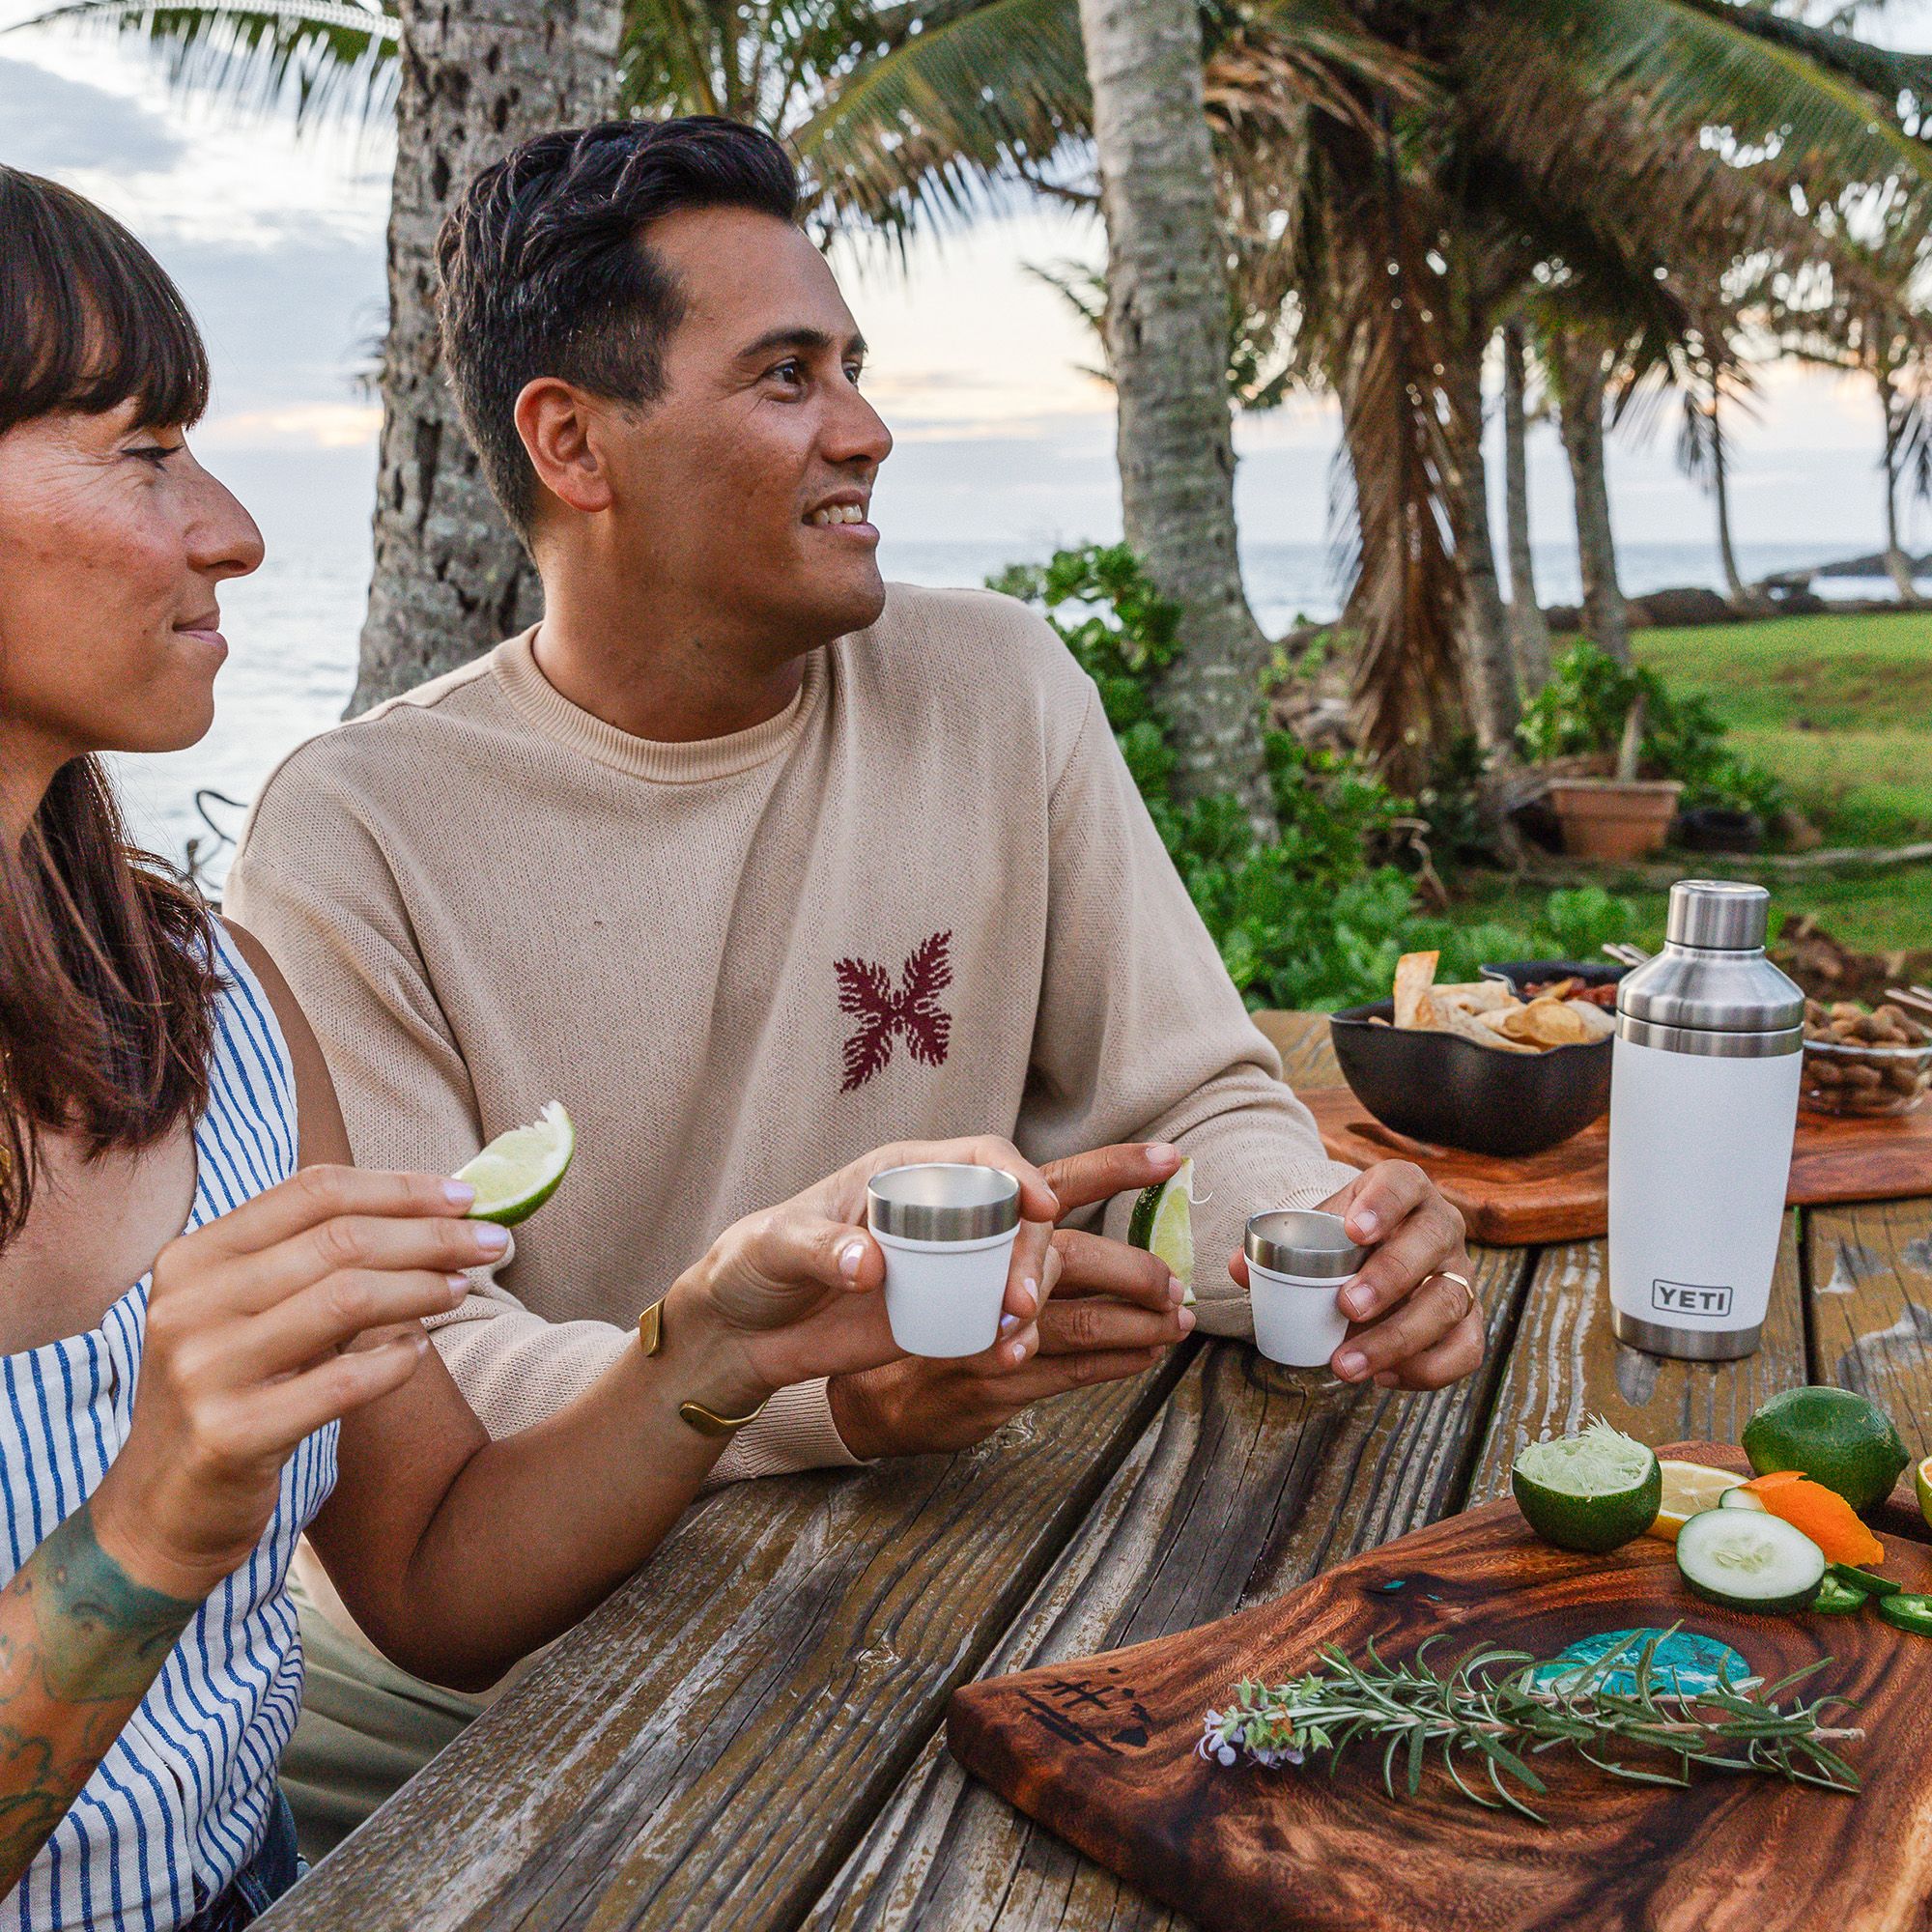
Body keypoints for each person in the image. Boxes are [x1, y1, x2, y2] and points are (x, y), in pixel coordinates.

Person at [225, 117, 1482, 1849]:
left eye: (855, 367)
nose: (866, 429)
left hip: (893, 1589)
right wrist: (827, 1396)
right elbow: (434, 1374)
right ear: (570, 442)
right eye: (786, 376)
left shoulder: (995, 683)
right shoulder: (356, 828)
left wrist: (1314, 1249)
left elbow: (1192, 1090)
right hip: (473, 1696)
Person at [0, 163, 1142, 1928]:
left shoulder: (206, 1003)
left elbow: (434, 1576)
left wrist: (718, 1341)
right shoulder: (360, 836)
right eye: (144, 452)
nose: (232, 528)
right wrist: (153, 1516)